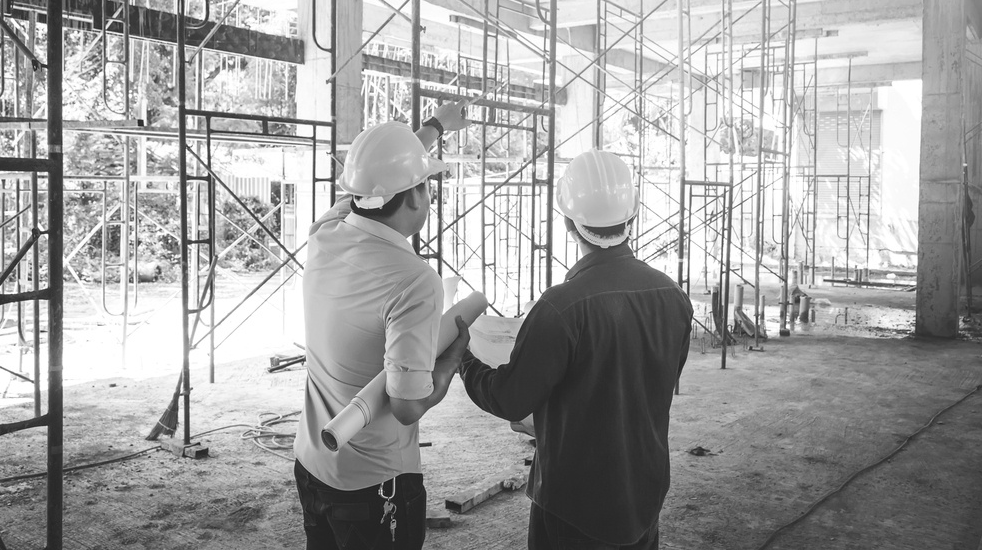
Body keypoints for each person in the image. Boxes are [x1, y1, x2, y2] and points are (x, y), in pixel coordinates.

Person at [460, 149, 693, 550]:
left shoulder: (561, 307)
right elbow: (650, 386)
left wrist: (463, 358)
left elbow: (509, 400)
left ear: (568, 221)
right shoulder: (673, 297)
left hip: (574, 503)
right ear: (632, 217)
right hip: (643, 494)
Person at [293, 102, 474, 550]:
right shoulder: (415, 281)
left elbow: (369, 183)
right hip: (375, 487)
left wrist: (433, 129)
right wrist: (451, 357)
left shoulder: (325, 233)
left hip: (312, 465)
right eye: (428, 186)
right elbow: (407, 406)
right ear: (416, 196)